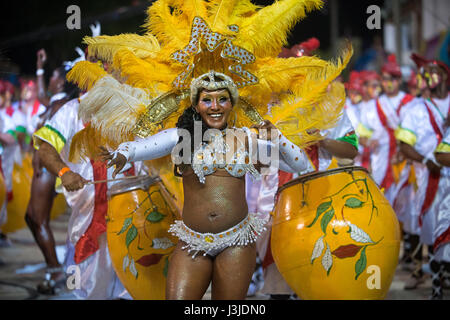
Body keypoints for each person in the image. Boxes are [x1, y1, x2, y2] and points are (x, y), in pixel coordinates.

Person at [25, 48, 79, 294]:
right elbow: (42, 94)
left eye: (53, 77)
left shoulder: (62, 106)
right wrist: (39, 67)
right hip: (41, 170)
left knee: (38, 219)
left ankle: (55, 270)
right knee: (31, 218)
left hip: (47, 171)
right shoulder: (55, 103)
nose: (50, 81)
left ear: (60, 80)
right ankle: (54, 268)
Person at [395, 54, 449, 291]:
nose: (429, 76)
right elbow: (404, 146)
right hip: (429, 179)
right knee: (431, 228)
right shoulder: (415, 109)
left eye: (434, 71)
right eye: (425, 72)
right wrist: (427, 161)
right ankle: (435, 283)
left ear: (446, 76)